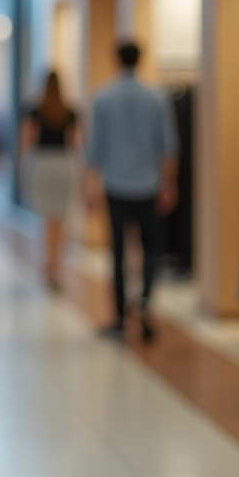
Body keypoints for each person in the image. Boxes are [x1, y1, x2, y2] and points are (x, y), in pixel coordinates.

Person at [85, 41, 179, 342]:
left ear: (116, 60)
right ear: (140, 60)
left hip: (115, 185)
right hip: (148, 185)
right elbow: (168, 146)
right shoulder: (156, 97)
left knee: (118, 252)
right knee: (151, 248)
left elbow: (94, 150)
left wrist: (89, 187)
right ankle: (145, 304)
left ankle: (119, 319)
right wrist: (169, 184)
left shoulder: (102, 98)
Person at [20, 71, 79, 290]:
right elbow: (74, 144)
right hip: (62, 164)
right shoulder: (69, 111)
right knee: (59, 220)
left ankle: (49, 265)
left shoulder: (36, 110)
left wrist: (22, 168)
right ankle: (56, 265)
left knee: (48, 220)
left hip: (42, 163)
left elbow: (28, 140)